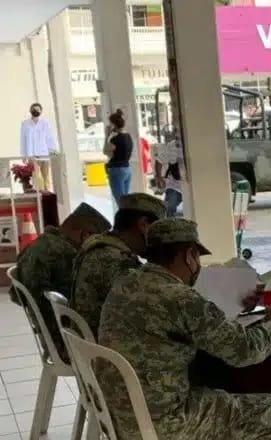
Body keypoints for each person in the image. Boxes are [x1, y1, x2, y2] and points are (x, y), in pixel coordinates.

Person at [98, 218, 271, 440]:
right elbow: (244, 351)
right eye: (198, 257)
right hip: (163, 424)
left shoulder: (126, 282)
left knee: (210, 388)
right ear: (189, 256)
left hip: (118, 415)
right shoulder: (181, 299)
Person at [12, 203, 111, 358]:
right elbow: (41, 302)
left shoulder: (46, 245)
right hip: (69, 341)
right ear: (86, 234)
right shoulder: (62, 252)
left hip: (63, 336)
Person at [70, 193, 166, 335]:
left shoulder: (98, 247)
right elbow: (154, 314)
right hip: (105, 344)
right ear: (144, 225)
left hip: (89, 342)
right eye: (159, 231)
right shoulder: (119, 262)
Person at [20, 102, 56, 191]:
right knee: (36, 177)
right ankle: (39, 194)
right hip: (32, 154)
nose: (36, 111)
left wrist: (52, 151)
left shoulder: (45, 123)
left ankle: (47, 194)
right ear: (30, 111)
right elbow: (23, 140)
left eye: (38, 109)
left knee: (46, 177)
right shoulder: (25, 124)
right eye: (34, 109)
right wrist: (23, 155)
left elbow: (49, 137)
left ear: (41, 111)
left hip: (44, 154)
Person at [104, 109, 134, 203]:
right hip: (127, 169)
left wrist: (106, 136)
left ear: (113, 125)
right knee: (125, 200)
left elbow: (105, 151)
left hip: (116, 170)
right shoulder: (128, 136)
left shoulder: (115, 139)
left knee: (120, 201)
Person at [154, 138, 184, 217]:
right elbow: (159, 160)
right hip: (176, 185)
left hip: (193, 184)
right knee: (169, 207)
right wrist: (159, 177)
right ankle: (168, 222)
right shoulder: (172, 145)